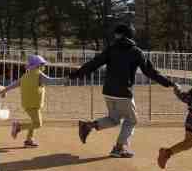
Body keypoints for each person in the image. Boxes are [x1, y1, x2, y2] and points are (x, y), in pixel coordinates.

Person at [69, 23, 175, 158]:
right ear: (131, 35)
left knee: (114, 119)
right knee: (131, 120)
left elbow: (94, 63)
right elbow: (150, 71)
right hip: (124, 93)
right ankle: (119, 148)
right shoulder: (136, 51)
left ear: (118, 35)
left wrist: (77, 74)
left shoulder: (111, 49)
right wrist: (168, 83)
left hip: (108, 91)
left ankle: (88, 126)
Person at [4, 54, 69, 147]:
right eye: (42, 64)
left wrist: (5, 90)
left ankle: (29, 140)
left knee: (33, 121)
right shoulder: (39, 74)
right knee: (38, 124)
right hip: (33, 104)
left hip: (27, 103)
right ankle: (19, 127)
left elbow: (14, 84)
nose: (43, 66)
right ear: (38, 65)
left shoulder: (25, 75)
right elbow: (51, 81)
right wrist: (64, 80)